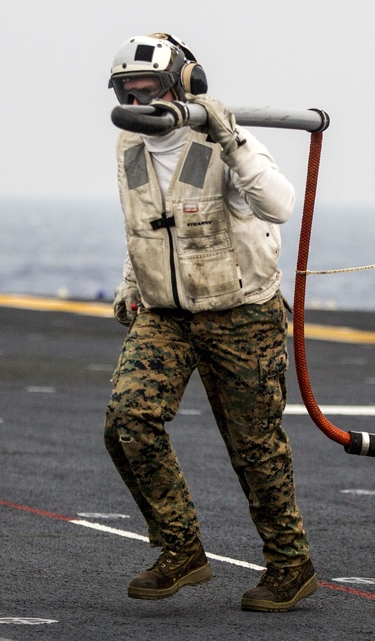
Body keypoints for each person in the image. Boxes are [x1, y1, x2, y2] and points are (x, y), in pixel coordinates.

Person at [103, 33, 316, 611]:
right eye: (128, 90)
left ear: (184, 85)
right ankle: (180, 549)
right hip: (166, 313)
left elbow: (280, 206)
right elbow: (145, 221)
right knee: (128, 420)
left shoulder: (229, 142)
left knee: (255, 447)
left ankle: (290, 566)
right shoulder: (129, 146)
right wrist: (132, 282)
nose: (139, 101)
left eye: (149, 89)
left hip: (241, 313)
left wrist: (232, 139)